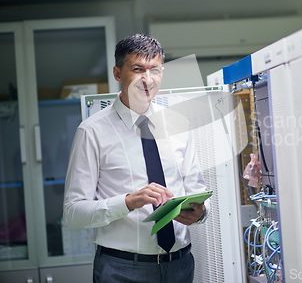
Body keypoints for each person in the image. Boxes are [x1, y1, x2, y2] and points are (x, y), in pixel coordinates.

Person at [63, 34, 209, 283]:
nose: (148, 79)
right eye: (138, 69)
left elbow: (197, 190)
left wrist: (200, 212)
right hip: (121, 269)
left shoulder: (179, 124)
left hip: (180, 265)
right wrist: (129, 202)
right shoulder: (92, 131)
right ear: (118, 74)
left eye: (155, 70)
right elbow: (73, 214)